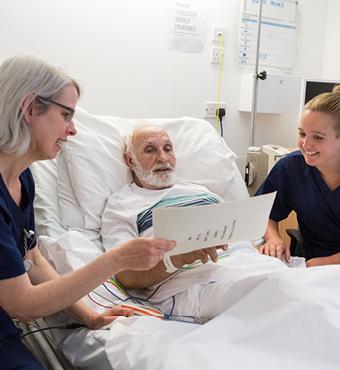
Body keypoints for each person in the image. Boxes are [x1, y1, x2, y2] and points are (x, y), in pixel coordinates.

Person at [0, 56, 175, 370]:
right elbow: (22, 304)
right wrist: (117, 259)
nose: (72, 130)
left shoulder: (23, 178)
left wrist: (89, 316)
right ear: (29, 109)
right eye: (66, 115)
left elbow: (32, 258)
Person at [100, 125, 282, 324]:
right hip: (194, 282)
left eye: (168, 148)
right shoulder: (122, 206)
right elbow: (124, 274)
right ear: (130, 160)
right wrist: (177, 258)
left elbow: (245, 234)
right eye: (150, 150)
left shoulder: (202, 192)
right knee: (278, 294)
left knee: (304, 285)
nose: (162, 157)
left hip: (250, 263)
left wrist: (265, 246)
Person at [256, 86, 340, 268]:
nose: (305, 144)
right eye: (302, 133)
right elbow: (262, 212)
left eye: (318, 137)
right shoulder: (291, 167)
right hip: (309, 268)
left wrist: (325, 263)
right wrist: (273, 239)